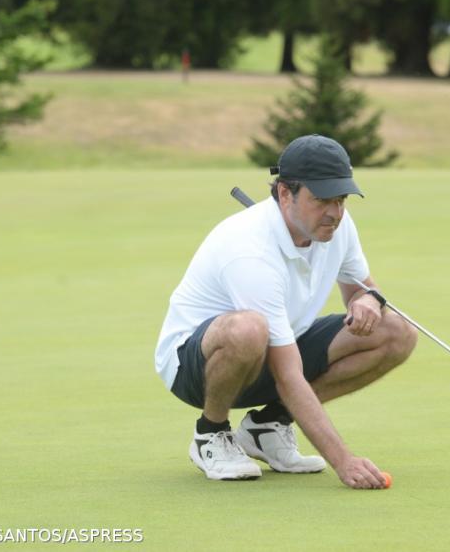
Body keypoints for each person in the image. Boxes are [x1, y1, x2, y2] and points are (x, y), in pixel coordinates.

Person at [154, 134, 417, 489]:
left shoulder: (337, 225)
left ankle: (268, 427)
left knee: (397, 331)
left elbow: (361, 288)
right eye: (321, 200)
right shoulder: (249, 249)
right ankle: (210, 433)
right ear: (284, 194)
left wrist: (368, 299)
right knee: (249, 329)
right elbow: (287, 375)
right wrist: (344, 461)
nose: (334, 213)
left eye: (341, 200)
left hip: (276, 347)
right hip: (194, 365)